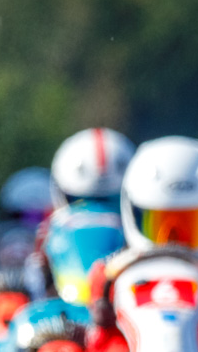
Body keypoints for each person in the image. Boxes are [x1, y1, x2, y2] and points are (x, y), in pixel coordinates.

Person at [84, 136, 198, 352]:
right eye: (160, 225)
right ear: (134, 214)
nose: (174, 243)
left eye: (192, 225)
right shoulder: (108, 275)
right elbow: (96, 341)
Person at [24, 128, 134, 301]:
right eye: (80, 201)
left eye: (111, 200)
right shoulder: (48, 235)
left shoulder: (49, 232)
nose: (96, 211)